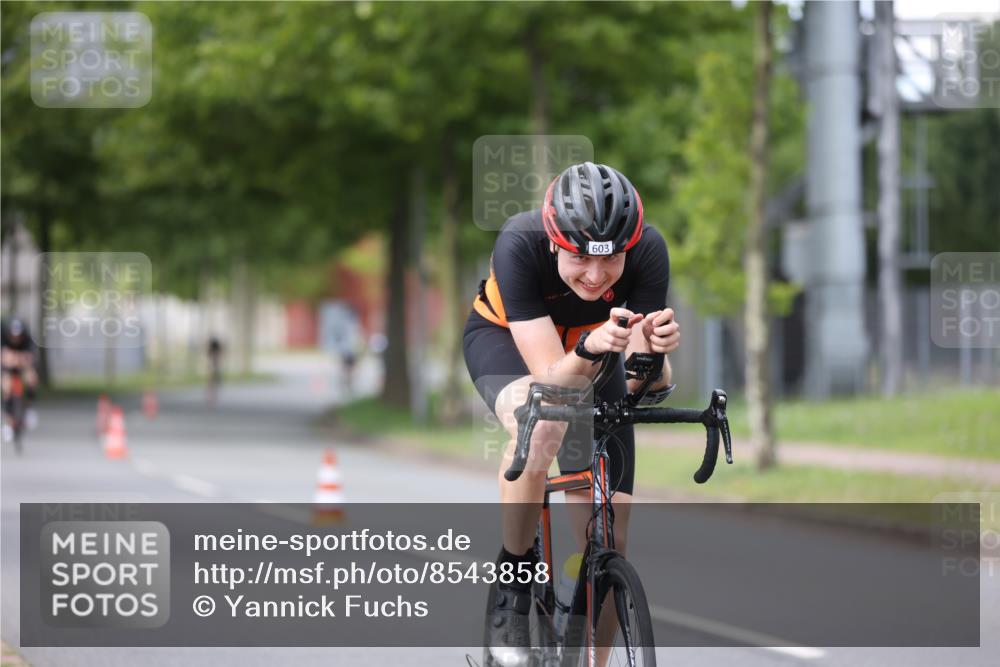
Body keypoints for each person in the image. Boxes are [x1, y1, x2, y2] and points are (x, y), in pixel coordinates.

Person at [463, 162, 680, 666]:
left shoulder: (649, 250)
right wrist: (590, 350)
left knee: (612, 537)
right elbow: (549, 381)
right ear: (556, 243)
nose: (597, 275)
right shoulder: (519, 243)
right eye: (581, 257)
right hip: (511, 346)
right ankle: (514, 580)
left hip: (594, 351)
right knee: (541, 425)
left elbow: (639, 385)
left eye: (611, 261)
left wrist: (659, 359)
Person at [2, 318, 39, 442]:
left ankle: (29, 408)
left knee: (31, 378)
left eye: (18, 336)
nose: (15, 338)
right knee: (6, 386)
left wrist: (16, 358)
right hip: (8, 367)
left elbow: (30, 357)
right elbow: (4, 358)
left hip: (24, 366)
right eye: (13, 336)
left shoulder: (28, 338)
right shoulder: (4, 338)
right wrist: (16, 358)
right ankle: (8, 422)